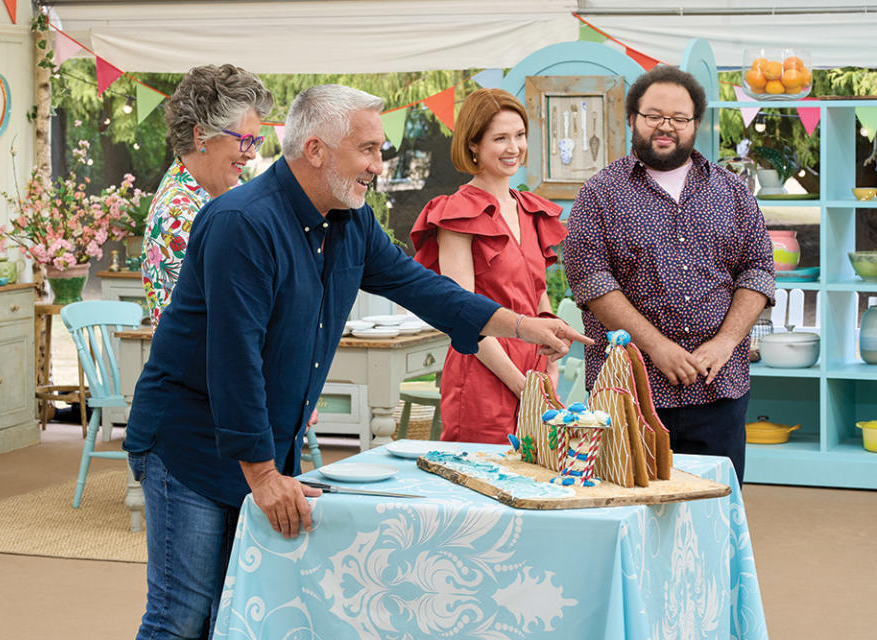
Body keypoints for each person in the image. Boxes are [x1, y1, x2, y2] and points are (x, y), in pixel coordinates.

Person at [123, 83, 592, 640]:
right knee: (181, 617)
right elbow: (234, 357)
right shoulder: (241, 222)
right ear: (316, 150)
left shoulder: (352, 220)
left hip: (262, 442)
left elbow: (424, 289)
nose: (378, 164)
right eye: (368, 149)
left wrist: (521, 326)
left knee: (236, 610)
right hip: (190, 443)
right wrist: (264, 474)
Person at [563, 65, 775, 487]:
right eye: (654, 116)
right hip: (629, 392)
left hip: (719, 387)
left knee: (712, 512)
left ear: (696, 124)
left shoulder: (731, 192)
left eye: (679, 118)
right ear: (632, 119)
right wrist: (657, 349)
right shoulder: (599, 194)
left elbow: (759, 270)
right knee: (630, 508)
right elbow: (592, 282)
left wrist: (725, 342)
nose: (666, 127)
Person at [411, 88, 568, 444]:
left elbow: (537, 296)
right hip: (483, 370)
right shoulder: (455, 214)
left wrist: (552, 360)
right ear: (473, 146)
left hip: (536, 370)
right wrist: (519, 384)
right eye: (500, 138)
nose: (513, 148)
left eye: (519, 135)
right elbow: (461, 313)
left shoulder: (531, 209)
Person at [141, 64, 272, 327]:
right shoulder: (176, 215)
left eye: (256, 142)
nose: (252, 154)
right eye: (244, 140)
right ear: (201, 136)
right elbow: (207, 323)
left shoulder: (228, 191)